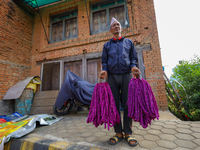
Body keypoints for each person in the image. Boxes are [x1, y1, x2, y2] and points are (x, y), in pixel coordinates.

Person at [99, 17, 141, 147]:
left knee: (128, 104)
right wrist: (104, 70)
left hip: (126, 76)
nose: (116, 26)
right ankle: (118, 133)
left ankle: (128, 133)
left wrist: (133, 67)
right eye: (114, 25)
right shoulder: (107, 45)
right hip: (111, 77)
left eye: (118, 24)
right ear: (111, 30)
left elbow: (133, 58)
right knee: (114, 105)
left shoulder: (129, 43)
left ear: (121, 28)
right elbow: (104, 61)